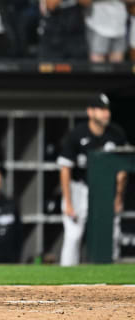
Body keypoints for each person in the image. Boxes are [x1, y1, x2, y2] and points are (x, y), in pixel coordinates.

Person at [57, 93, 127, 266]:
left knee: (111, 235)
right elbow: (65, 168)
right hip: (79, 188)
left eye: (107, 110)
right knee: (73, 236)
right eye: (101, 109)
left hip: (105, 189)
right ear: (90, 112)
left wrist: (118, 197)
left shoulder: (116, 134)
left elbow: (123, 170)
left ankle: (110, 282)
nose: (106, 114)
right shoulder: (77, 134)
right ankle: (66, 281)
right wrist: (68, 201)